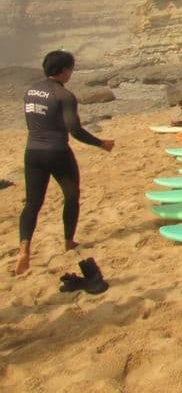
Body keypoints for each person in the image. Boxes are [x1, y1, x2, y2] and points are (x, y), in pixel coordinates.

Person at [16, 50, 115, 275]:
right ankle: (69, 242)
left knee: (32, 203)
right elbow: (75, 130)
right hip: (57, 152)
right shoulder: (64, 95)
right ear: (63, 70)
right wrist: (101, 143)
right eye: (71, 69)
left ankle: (24, 249)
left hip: (32, 152)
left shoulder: (30, 91)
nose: (71, 73)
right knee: (71, 195)